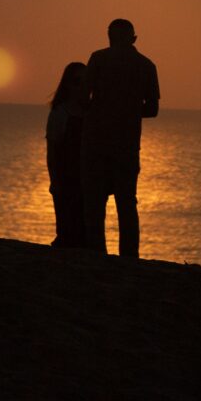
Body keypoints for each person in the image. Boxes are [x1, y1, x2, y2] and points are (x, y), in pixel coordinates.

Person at [81, 19, 160, 258]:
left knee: (95, 203)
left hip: (95, 142)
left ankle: (97, 253)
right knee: (127, 203)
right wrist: (129, 112)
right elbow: (152, 109)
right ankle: (129, 256)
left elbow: (83, 99)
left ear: (109, 37)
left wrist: (101, 111)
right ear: (134, 39)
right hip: (127, 145)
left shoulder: (97, 59)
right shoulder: (146, 65)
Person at [46, 61, 87, 248]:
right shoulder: (60, 112)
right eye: (77, 81)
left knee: (85, 231)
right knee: (66, 231)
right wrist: (54, 180)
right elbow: (53, 150)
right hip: (66, 178)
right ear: (68, 84)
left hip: (86, 179)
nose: (81, 86)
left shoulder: (91, 112)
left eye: (85, 81)